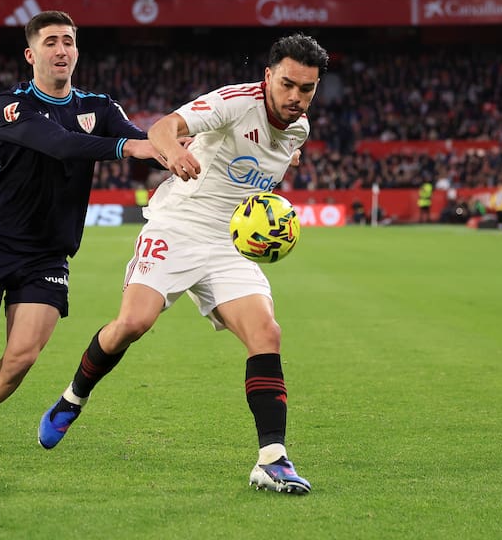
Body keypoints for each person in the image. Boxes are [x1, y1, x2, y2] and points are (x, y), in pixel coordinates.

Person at [38, 33, 329, 495]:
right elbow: (163, 128)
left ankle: (272, 459)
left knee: (266, 333)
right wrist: (174, 151)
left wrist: (284, 166)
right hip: (177, 226)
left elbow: (269, 157)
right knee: (133, 323)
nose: (296, 96)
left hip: (229, 244)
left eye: (307, 88)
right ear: (268, 76)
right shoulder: (235, 102)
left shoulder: (299, 128)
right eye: (288, 84)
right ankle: (73, 398)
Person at [0, 10, 163, 458]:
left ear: (77, 51)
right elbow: (61, 144)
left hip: (49, 252)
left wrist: (211, 150)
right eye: (50, 42)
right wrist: (129, 146)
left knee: (21, 358)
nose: (61, 50)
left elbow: (149, 145)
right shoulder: (12, 105)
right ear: (31, 54)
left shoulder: (100, 107)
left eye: (68, 41)